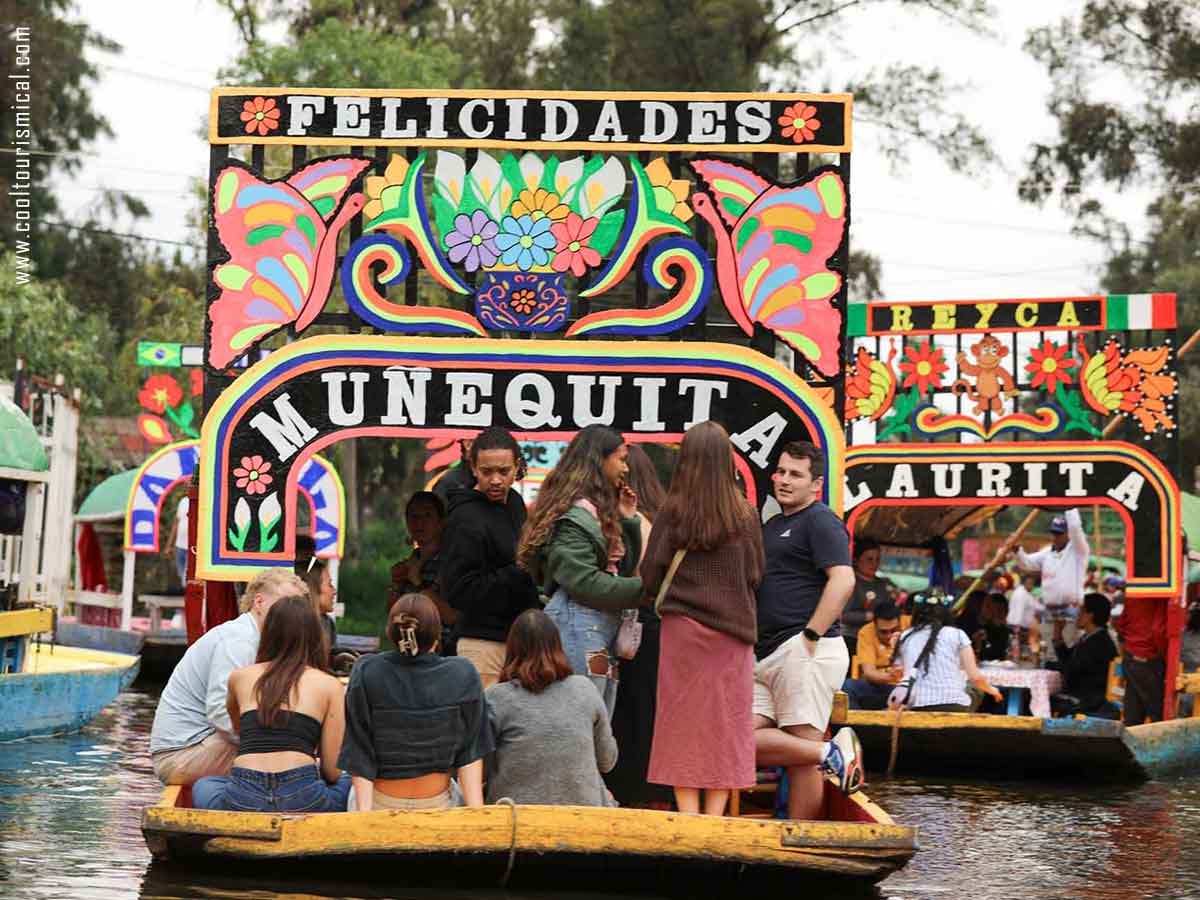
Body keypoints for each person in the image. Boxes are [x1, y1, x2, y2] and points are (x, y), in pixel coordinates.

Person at [640, 421, 764, 816]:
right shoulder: (745, 514)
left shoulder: (673, 511)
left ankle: (689, 814)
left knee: (682, 721)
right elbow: (757, 572)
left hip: (683, 631)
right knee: (726, 723)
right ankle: (715, 816)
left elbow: (650, 573)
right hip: (734, 632)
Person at [751, 441, 863, 821]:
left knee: (802, 756)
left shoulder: (820, 519)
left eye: (795, 475)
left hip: (804, 649)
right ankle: (832, 753)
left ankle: (803, 839)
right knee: (737, 739)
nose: (784, 480)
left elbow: (844, 579)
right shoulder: (775, 524)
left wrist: (810, 636)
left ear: (815, 484)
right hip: (769, 653)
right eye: (781, 472)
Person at [518, 424, 643, 715]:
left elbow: (621, 569)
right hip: (579, 625)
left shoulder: (599, 510)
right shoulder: (575, 516)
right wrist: (644, 590)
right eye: (621, 459)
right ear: (599, 459)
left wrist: (628, 521)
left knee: (597, 722)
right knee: (583, 722)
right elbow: (583, 581)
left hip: (597, 628)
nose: (626, 468)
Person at [149, 569, 309, 785]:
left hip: (201, 746)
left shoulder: (257, 639)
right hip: (182, 754)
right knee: (295, 762)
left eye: (298, 606)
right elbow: (219, 712)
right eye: (286, 604)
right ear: (259, 602)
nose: (293, 614)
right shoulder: (240, 640)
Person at [191, 596, 351, 811]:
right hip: (303, 797)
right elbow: (332, 771)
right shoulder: (330, 685)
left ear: (268, 633)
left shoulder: (240, 677)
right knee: (349, 780)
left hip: (244, 796)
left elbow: (239, 731)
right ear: (316, 637)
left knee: (204, 785)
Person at [338, 593, 491, 810]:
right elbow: (470, 754)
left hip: (379, 803)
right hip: (438, 804)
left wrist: (365, 818)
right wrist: (477, 814)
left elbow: (358, 752)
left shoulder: (366, 671)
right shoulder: (463, 673)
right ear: (437, 635)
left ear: (391, 633)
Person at [484, 609, 617, 806]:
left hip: (515, 819)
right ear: (558, 645)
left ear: (511, 648)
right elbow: (607, 761)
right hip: (583, 819)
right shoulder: (585, 689)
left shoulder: (495, 698)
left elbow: (480, 770)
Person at [440, 427, 540, 688]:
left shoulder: (515, 503)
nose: (496, 480)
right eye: (487, 472)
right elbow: (457, 590)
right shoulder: (464, 518)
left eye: (504, 471)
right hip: (481, 644)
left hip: (519, 642)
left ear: (516, 466)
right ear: (473, 468)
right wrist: (517, 571)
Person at [605, 443, 672, 809]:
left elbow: (639, 578)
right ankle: (652, 795)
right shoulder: (660, 518)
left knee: (628, 715)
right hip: (655, 630)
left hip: (634, 626)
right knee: (647, 715)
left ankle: (629, 794)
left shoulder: (636, 521)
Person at [891, 590, 1003, 713]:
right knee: (975, 689)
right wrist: (992, 690)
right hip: (955, 704)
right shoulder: (957, 634)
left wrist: (895, 647)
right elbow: (975, 678)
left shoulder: (905, 636)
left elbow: (898, 673)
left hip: (915, 703)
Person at [391, 491, 454, 650]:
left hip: (442, 655)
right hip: (408, 652)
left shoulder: (451, 562)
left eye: (427, 515)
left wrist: (418, 582)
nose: (419, 522)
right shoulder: (411, 561)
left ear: (441, 522)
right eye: (413, 516)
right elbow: (392, 616)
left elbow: (452, 617)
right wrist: (396, 586)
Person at [1047, 593, 1119, 718]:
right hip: (1081, 694)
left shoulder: (1099, 642)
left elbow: (1071, 668)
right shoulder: (1089, 637)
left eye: (1081, 611)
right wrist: (1058, 634)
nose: (1077, 615)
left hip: (1087, 700)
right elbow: (1067, 659)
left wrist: (1049, 666)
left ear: (1089, 615)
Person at [1013, 509, 1089, 624]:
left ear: (1069, 534)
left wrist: (1070, 506)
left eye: (1059, 533)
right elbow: (1026, 563)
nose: (1055, 537)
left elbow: (1075, 527)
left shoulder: (1078, 550)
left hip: (1070, 610)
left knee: (1071, 642)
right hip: (1049, 611)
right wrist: (1017, 551)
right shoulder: (1047, 553)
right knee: (1049, 642)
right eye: (1054, 533)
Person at [841, 601, 910, 710]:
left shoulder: (911, 624)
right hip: (882, 687)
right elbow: (869, 672)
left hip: (909, 688)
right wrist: (890, 676)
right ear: (875, 625)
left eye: (894, 630)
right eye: (883, 632)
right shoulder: (866, 632)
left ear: (900, 621)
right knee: (849, 686)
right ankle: (854, 726)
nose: (889, 636)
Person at [1114, 594, 1168, 725]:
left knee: (1133, 714)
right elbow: (1157, 630)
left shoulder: (1135, 593)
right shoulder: (1161, 596)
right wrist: (1165, 656)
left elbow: (1121, 624)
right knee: (1157, 716)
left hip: (1131, 658)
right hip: (1150, 659)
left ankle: (1129, 744)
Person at [845, 537, 889, 657]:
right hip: (851, 637)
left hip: (875, 639)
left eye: (877, 559)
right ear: (856, 560)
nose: (874, 564)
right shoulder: (850, 581)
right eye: (869, 559)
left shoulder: (881, 584)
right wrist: (868, 616)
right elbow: (843, 615)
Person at [298, 557, 337, 655]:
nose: (334, 591)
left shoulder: (328, 623)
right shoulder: (293, 623)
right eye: (330, 584)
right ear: (313, 588)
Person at [1007, 573, 1042, 655]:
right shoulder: (1020, 594)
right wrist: (1017, 626)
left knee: (1023, 647)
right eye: (1030, 583)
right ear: (1025, 583)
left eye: (1032, 584)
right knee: (1016, 646)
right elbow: (1019, 610)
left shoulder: (1027, 593)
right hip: (1018, 625)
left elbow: (1037, 607)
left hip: (1023, 626)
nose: (1031, 586)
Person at [172, 494, 190, 586]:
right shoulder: (183, 501)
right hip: (179, 544)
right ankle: (186, 590)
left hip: (191, 546)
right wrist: (169, 544)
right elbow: (176, 522)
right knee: (181, 572)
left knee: (186, 575)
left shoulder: (200, 501)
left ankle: (188, 593)